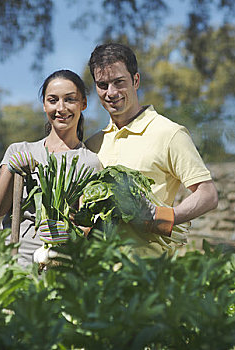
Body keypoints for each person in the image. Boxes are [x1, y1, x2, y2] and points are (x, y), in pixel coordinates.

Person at [85, 43, 218, 256]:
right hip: (98, 271)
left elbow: (208, 194)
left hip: (148, 272)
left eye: (119, 82)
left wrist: (161, 218)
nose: (111, 92)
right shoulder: (92, 145)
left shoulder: (169, 133)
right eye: (102, 85)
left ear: (135, 81)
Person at [0, 69, 101, 267]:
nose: (61, 108)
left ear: (83, 104)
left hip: (58, 265)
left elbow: (86, 226)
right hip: (12, 261)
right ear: (44, 105)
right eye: (53, 100)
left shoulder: (89, 162)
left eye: (70, 99)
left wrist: (68, 234)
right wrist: (12, 170)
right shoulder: (19, 150)